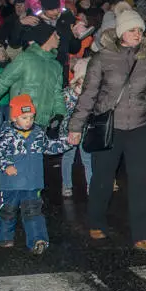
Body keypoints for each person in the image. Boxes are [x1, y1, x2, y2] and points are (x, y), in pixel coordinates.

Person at [66, 7, 146, 252]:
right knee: (103, 177)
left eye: (140, 30)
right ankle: (96, 221)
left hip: (140, 126)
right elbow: (88, 94)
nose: (137, 34)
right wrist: (76, 126)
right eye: (132, 30)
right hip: (109, 127)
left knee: (141, 181)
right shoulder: (102, 58)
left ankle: (142, 233)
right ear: (121, 32)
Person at [0, 94, 71, 255]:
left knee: (33, 209)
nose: (29, 121)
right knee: (9, 209)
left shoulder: (38, 133)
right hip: (12, 182)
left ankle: (37, 240)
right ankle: (3, 235)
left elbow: (49, 147)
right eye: (24, 117)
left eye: (31, 117)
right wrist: (6, 165)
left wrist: (68, 142)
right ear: (14, 118)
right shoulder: (7, 135)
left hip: (32, 181)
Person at [0, 24, 69, 129]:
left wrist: (59, 115)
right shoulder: (26, 58)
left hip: (44, 122)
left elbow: (57, 93)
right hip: (21, 119)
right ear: (46, 37)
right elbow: (4, 81)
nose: (58, 37)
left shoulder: (56, 66)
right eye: (55, 35)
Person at [60, 57, 92, 199]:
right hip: (68, 131)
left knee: (87, 158)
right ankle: (67, 184)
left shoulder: (91, 94)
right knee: (68, 157)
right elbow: (62, 111)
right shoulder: (67, 94)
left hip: (85, 131)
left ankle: (91, 184)